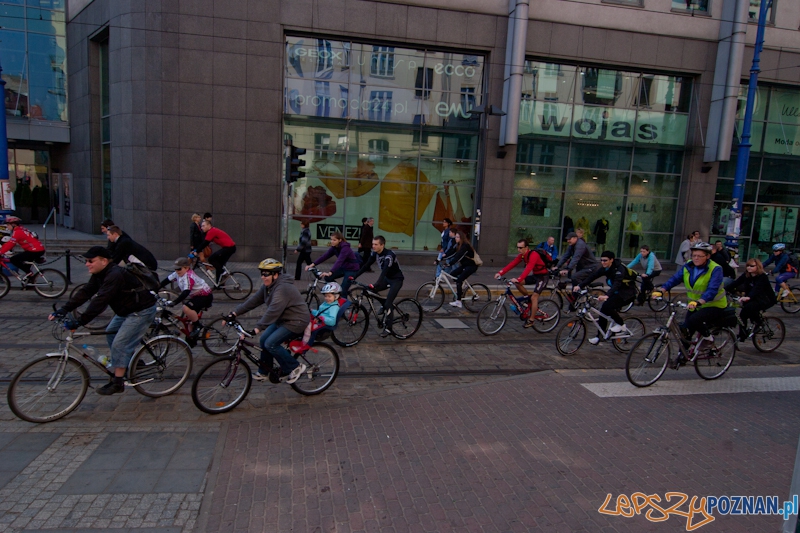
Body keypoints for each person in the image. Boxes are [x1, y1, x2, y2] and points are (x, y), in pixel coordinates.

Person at [49, 246, 158, 395]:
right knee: (110, 333)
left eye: (90, 261)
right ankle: (130, 362)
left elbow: (100, 301)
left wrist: (80, 321)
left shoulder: (114, 275)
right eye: (86, 261)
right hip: (125, 310)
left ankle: (118, 383)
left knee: (120, 343)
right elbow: (86, 291)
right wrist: (64, 309)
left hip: (141, 311)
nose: (87, 264)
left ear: (104, 261)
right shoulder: (100, 274)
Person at [227, 258, 309, 384]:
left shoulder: (283, 288)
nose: (263, 277)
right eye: (262, 274)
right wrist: (234, 313)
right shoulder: (268, 287)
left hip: (296, 321)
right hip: (282, 319)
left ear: (275, 275)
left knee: (271, 343)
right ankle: (264, 372)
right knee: (263, 340)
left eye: (266, 274)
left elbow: (273, 310)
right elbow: (253, 301)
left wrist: (257, 328)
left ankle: (295, 366)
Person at [660, 241, 728, 361]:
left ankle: (708, 338)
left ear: (707, 256)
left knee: (694, 320)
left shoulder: (715, 269)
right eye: (694, 255)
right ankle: (682, 356)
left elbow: (712, 289)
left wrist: (701, 301)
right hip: (695, 305)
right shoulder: (688, 266)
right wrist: (662, 289)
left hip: (714, 305)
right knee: (686, 330)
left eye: (699, 256)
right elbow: (675, 279)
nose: (695, 258)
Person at [575, 251, 637, 345]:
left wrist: (607, 295)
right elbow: (593, 276)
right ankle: (599, 337)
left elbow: (617, 284)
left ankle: (621, 324)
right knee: (602, 312)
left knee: (608, 306)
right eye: (601, 260)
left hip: (627, 294)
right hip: (616, 293)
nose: (603, 262)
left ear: (611, 260)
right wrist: (580, 285)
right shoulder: (605, 268)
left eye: (605, 260)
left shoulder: (619, 269)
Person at [351, 235, 404, 337]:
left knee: (388, 303)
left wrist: (376, 284)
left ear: (382, 245)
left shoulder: (389, 255)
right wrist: (354, 276)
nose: (373, 246)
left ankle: (388, 328)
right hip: (387, 278)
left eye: (376, 244)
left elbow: (384, 271)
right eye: (372, 244)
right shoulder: (375, 253)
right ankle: (383, 305)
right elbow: (366, 265)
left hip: (396, 280)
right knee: (369, 290)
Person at [158, 257, 213, 347]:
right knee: (188, 321)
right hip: (196, 296)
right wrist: (155, 289)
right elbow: (166, 280)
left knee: (186, 308)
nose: (177, 271)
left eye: (179, 269)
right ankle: (192, 340)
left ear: (186, 268)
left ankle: (198, 325)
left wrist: (174, 302)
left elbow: (186, 292)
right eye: (175, 269)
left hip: (205, 296)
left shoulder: (188, 276)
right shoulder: (177, 273)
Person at [495, 238, 549, 327]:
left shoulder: (533, 254)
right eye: (517, 247)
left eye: (521, 248)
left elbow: (529, 268)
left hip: (543, 277)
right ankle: (528, 300)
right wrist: (500, 272)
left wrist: (519, 278)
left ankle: (531, 320)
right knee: (517, 284)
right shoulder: (522, 255)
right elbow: (512, 264)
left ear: (526, 247)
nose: (519, 250)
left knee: (534, 297)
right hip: (535, 276)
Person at [726, 258, 776, 341]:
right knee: (743, 315)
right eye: (748, 266)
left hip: (765, 299)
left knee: (748, 310)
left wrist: (748, 297)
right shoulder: (747, 275)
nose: (749, 268)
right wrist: (724, 289)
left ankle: (759, 323)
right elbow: (736, 282)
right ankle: (742, 334)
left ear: (758, 266)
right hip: (752, 298)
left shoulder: (762, 277)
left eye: (752, 266)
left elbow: (757, 288)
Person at [307, 231, 360, 296]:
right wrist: (312, 265)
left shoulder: (345, 248)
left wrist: (330, 272)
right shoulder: (334, 248)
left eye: (334, 240)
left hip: (352, 269)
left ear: (340, 240)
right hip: (344, 267)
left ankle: (344, 304)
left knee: (343, 290)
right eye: (331, 239)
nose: (332, 241)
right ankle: (337, 289)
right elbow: (324, 256)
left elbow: (339, 260)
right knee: (328, 278)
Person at [442, 229, 478, 309]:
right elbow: (452, 252)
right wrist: (441, 258)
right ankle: (460, 289)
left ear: (461, 238)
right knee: (453, 274)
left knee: (459, 280)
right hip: (465, 265)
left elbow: (458, 256)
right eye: (456, 237)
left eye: (458, 237)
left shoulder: (465, 246)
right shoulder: (458, 245)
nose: (456, 238)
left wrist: (449, 263)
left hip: (471, 266)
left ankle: (458, 301)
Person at [299, 281, 342, 349]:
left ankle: (305, 344)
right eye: (325, 296)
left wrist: (321, 318)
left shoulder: (334, 307)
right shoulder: (326, 303)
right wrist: (312, 311)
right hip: (319, 321)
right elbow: (319, 313)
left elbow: (332, 321)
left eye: (329, 296)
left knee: (308, 325)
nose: (327, 298)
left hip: (323, 324)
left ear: (336, 296)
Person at [0, 216, 45, 280]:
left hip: (34, 251)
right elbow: (9, 243)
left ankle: (29, 273)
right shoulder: (22, 229)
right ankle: (29, 282)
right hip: (39, 249)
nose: (7, 226)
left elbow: (11, 244)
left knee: (14, 259)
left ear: (13, 224)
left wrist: (1, 252)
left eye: (8, 225)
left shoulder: (17, 232)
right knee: (26, 267)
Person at [193, 219, 236, 284]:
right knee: (219, 265)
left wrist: (196, 251)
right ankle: (219, 285)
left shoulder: (212, 231)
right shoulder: (212, 231)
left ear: (209, 225)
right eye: (201, 226)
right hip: (229, 248)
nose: (202, 228)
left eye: (203, 226)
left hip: (229, 248)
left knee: (211, 258)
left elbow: (205, 243)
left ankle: (224, 273)